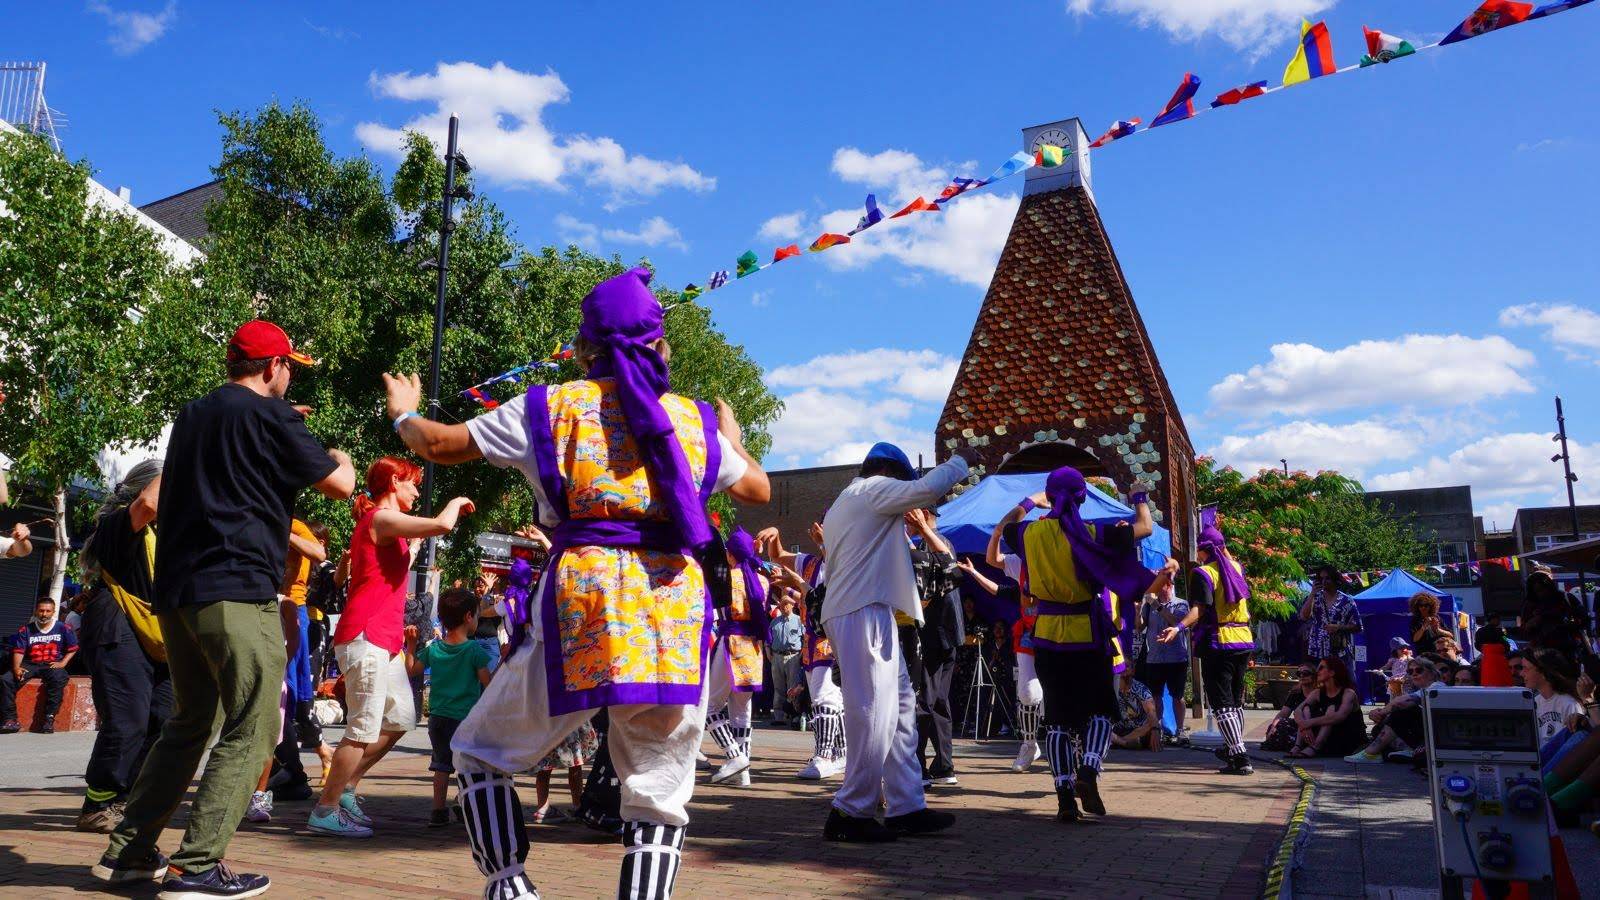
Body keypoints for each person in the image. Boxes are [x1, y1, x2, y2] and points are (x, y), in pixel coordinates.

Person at [386, 267, 770, 900]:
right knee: (656, 790)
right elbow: (755, 488)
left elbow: (439, 444)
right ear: (660, 347)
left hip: (583, 605)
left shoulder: (551, 406)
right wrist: (731, 439)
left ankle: (509, 886)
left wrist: (405, 415)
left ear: (585, 348)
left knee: (479, 753)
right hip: (670, 613)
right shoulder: (695, 423)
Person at [92, 319, 355, 897]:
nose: (289, 376)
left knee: (190, 723)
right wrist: (337, 453)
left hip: (180, 593)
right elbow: (338, 483)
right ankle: (197, 865)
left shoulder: (195, 414)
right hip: (237, 588)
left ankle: (129, 853)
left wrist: (281, 428)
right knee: (255, 726)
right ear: (272, 367)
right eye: (289, 366)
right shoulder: (270, 415)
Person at [992, 469, 1175, 823]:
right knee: (1101, 711)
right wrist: (1138, 496)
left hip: (1045, 634)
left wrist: (1030, 502)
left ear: (1050, 496)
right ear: (1081, 498)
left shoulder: (1030, 533)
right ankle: (1089, 771)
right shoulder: (1094, 533)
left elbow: (1004, 527)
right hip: (1087, 635)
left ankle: (1064, 798)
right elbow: (1146, 528)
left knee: (1058, 719)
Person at [310, 456, 473, 838]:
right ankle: (325, 809)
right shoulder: (380, 520)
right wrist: (455, 501)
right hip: (365, 635)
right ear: (395, 482)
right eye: (413, 483)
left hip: (386, 640)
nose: (417, 491)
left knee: (400, 719)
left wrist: (411, 550)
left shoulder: (390, 529)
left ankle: (346, 788)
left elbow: (389, 570)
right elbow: (442, 525)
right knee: (363, 727)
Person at [818, 441, 974, 842]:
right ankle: (850, 811)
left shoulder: (847, 500)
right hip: (862, 610)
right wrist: (962, 461)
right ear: (889, 474)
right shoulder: (870, 491)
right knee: (874, 714)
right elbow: (925, 489)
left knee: (901, 713)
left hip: (869, 609)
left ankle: (907, 805)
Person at [73, 460, 172, 834]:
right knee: (127, 721)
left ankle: (128, 797)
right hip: (117, 627)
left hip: (160, 636)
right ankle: (98, 804)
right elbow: (148, 504)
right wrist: (189, 451)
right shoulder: (118, 524)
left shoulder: (165, 534)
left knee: (165, 720)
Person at [1159, 523, 1253, 774]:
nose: (1196, 555)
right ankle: (1234, 750)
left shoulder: (1204, 574)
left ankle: (1240, 754)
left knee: (1221, 702)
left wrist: (1178, 628)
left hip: (1219, 642)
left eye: (1199, 550)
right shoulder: (1237, 567)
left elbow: (1199, 610)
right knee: (1234, 701)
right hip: (1242, 640)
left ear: (1203, 550)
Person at [757, 523, 848, 780]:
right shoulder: (810, 562)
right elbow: (778, 556)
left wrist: (824, 544)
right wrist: (775, 534)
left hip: (830, 637)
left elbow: (836, 578)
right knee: (829, 698)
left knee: (824, 697)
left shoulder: (844, 559)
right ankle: (840, 752)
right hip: (811, 640)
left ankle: (824, 756)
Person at [407, 587, 493, 827]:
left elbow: (412, 670)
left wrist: (411, 646)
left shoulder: (434, 648)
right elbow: (489, 683)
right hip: (465, 719)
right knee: (469, 765)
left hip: (438, 718)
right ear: (468, 617)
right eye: (476, 614)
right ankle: (464, 802)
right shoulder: (474, 650)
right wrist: (505, 662)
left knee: (441, 765)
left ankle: (437, 811)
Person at [957, 556, 1042, 772]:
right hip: (1029, 636)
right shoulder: (1024, 576)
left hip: (1061, 633)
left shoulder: (1061, 570)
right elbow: (998, 587)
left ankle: (1080, 754)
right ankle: (1029, 744)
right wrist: (974, 572)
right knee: (1027, 694)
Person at [704, 527, 771, 787]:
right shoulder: (762, 580)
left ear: (730, 554)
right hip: (753, 649)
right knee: (742, 712)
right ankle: (743, 773)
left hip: (731, 642)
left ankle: (734, 756)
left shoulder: (727, 578)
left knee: (709, 707)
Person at [908, 508, 963, 786]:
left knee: (925, 700)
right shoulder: (937, 542)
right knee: (938, 700)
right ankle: (944, 765)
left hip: (933, 631)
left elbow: (943, 572)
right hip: (947, 632)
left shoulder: (933, 543)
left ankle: (919, 766)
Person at [1, 595, 78, 734]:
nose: (44, 614)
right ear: (36, 611)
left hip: (51, 664)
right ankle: (10, 720)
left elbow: (73, 648)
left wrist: (63, 663)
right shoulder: (26, 630)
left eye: (48, 611)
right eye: (41, 610)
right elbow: (19, 650)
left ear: (53, 612)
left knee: (59, 678)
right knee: (6, 680)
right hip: (30, 663)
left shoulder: (63, 628)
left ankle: (49, 719)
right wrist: (16, 667)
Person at [1346, 656, 1439, 764]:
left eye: (1419, 670)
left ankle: (1371, 753)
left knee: (1402, 710)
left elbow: (1401, 703)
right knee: (1379, 727)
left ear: (1432, 673)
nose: (1414, 674)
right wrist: (1380, 714)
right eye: (1410, 671)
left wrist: (1381, 712)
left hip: (1435, 736)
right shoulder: (1419, 690)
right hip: (1425, 733)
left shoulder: (1436, 686)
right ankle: (1407, 750)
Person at [1137, 582, 1189, 743]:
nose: (1157, 589)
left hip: (1176, 658)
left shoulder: (1181, 604)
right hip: (1154, 658)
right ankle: (1156, 729)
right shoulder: (1149, 606)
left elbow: (1176, 622)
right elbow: (1139, 627)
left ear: (1169, 585)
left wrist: (1157, 606)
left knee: (1177, 695)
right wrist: (1138, 608)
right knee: (1156, 696)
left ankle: (1180, 730)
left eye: (1161, 585)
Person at [1289, 656, 1366, 758]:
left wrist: (1308, 723)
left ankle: (1316, 746)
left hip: (1347, 739)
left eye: (1321, 668)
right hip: (1329, 738)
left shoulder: (1348, 693)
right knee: (1306, 709)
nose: (1317, 671)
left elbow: (1338, 717)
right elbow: (1298, 710)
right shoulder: (1317, 693)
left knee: (1331, 709)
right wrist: (1304, 726)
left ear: (1332, 673)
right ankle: (1298, 745)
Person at [1300, 565, 1361, 676]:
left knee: (1346, 684)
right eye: (1321, 578)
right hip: (1317, 650)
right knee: (1319, 685)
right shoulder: (1315, 598)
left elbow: (1358, 626)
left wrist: (1339, 627)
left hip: (1339, 652)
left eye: (1327, 578)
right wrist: (1312, 594)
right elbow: (1304, 616)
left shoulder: (1347, 601)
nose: (1324, 581)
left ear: (1334, 579)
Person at [1523, 648, 1584, 743]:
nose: (1522, 673)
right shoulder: (1534, 702)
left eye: (1526, 669)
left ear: (1543, 672)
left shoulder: (1569, 704)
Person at [766, 594, 804, 725]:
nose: (783, 607)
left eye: (786, 604)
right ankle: (779, 717)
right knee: (778, 687)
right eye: (781, 604)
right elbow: (768, 640)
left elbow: (805, 638)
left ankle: (795, 715)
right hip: (776, 657)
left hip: (792, 656)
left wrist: (801, 654)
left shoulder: (799, 621)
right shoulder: (774, 621)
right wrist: (768, 654)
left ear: (792, 605)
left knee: (793, 687)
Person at [1261, 666, 1316, 752]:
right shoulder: (1295, 693)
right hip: (1298, 724)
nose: (1302, 676)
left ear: (1314, 676)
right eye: (1299, 674)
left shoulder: (1318, 693)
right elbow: (1283, 713)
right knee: (1276, 727)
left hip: (1313, 724)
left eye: (1306, 673)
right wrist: (1273, 726)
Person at [1110, 670, 1159, 750]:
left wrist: (1155, 729)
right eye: (1121, 667)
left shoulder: (1141, 689)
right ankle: (1124, 743)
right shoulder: (1110, 687)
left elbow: (1151, 711)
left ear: (1133, 670)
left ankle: (1117, 742)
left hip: (1137, 730)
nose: (1124, 670)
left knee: (1152, 724)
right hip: (1117, 729)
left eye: (1127, 666)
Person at [1408, 592, 1445, 658]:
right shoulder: (1415, 620)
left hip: (1439, 653)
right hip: (1423, 654)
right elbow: (1415, 639)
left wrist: (1438, 629)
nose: (1423, 607)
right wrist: (1424, 626)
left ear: (1431, 606)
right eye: (1420, 605)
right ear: (1417, 607)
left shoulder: (1437, 618)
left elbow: (1451, 635)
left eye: (1426, 605)